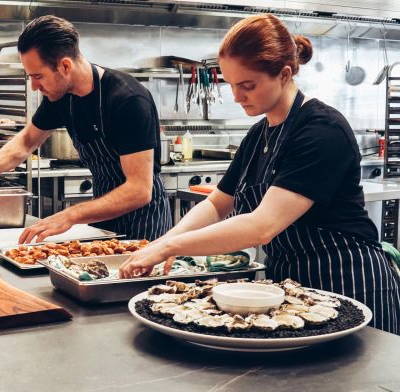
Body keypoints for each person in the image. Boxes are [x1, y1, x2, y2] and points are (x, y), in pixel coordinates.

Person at [120, 14, 400, 335]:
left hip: (348, 280)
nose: (237, 97)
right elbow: (216, 205)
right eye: (231, 85)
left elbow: (262, 226)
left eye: (247, 86)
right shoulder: (258, 135)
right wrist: (163, 242)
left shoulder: (322, 129)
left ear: (283, 74)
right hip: (291, 289)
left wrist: (171, 248)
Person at [0, 15, 172, 243]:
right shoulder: (60, 97)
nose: (34, 86)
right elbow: (27, 141)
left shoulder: (127, 99)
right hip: (102, 217)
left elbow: (139, 190)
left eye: (38, 76)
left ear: (65, 66)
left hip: (144, 224)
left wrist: (70, 215)